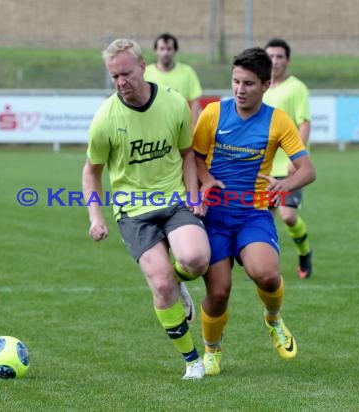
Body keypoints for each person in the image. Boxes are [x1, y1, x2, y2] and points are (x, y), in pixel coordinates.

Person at [82, 38, 211, 379]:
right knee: (162, 285)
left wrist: (194, 196)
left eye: (126, 73)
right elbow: (91, 171)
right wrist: (96, 216)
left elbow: (187, 154)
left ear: (143, 67)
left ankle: (178, 280)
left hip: (173, 200)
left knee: (197, 260)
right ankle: (192, 362)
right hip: (133, 211)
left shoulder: (173, 105)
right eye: (114, 77)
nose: (121, 82)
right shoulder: (105, 119)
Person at [192, 47, 316, 376]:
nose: (239, 90)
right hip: (215, 215)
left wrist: (283, 185)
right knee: (219, 292)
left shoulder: (278, 120)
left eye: (248, 83)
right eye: (235, 82)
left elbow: (307, 169)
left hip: (253, 212)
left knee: (266, 274)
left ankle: (273, 320)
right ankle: (211, 350)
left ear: (266, 84)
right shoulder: (213, 113)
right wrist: (206, 180)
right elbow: (194, 158)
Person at [263, 38, 313, 279]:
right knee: (264, 218)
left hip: (287, 165)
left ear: (288, 60)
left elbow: (304, 122)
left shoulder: (296, 88)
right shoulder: (259, 88)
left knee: (288, 215)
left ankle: (305, 252)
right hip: (263, 166)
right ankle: (266, 265)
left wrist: (297, 158)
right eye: (270, 56)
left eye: (279, 56)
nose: (274, 61)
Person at [144, 33, 203, 126]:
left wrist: (193, 127)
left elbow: (195, 102)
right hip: (153, 127)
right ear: (156, 50)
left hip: (180, 127)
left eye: (169, 49)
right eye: (162, 49)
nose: (165, 53)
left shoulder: (187, 72)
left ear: (175, 50)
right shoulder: (146, 73)